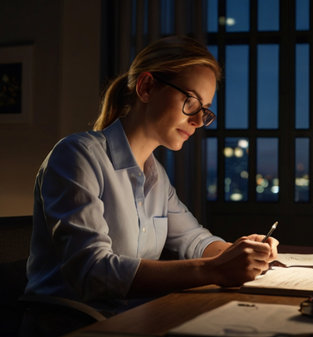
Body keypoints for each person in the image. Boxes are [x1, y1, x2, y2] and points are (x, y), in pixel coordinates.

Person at [25, 35, 278, 315]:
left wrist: (240, 252)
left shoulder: (155, 174)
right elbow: (93, 272)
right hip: (75, 324)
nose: (197, 121)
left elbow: (193, 240)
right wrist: (215, 269)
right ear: (146, 87)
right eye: (191, 102)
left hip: (135, 318)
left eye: (204, 110)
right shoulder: (76, 156)